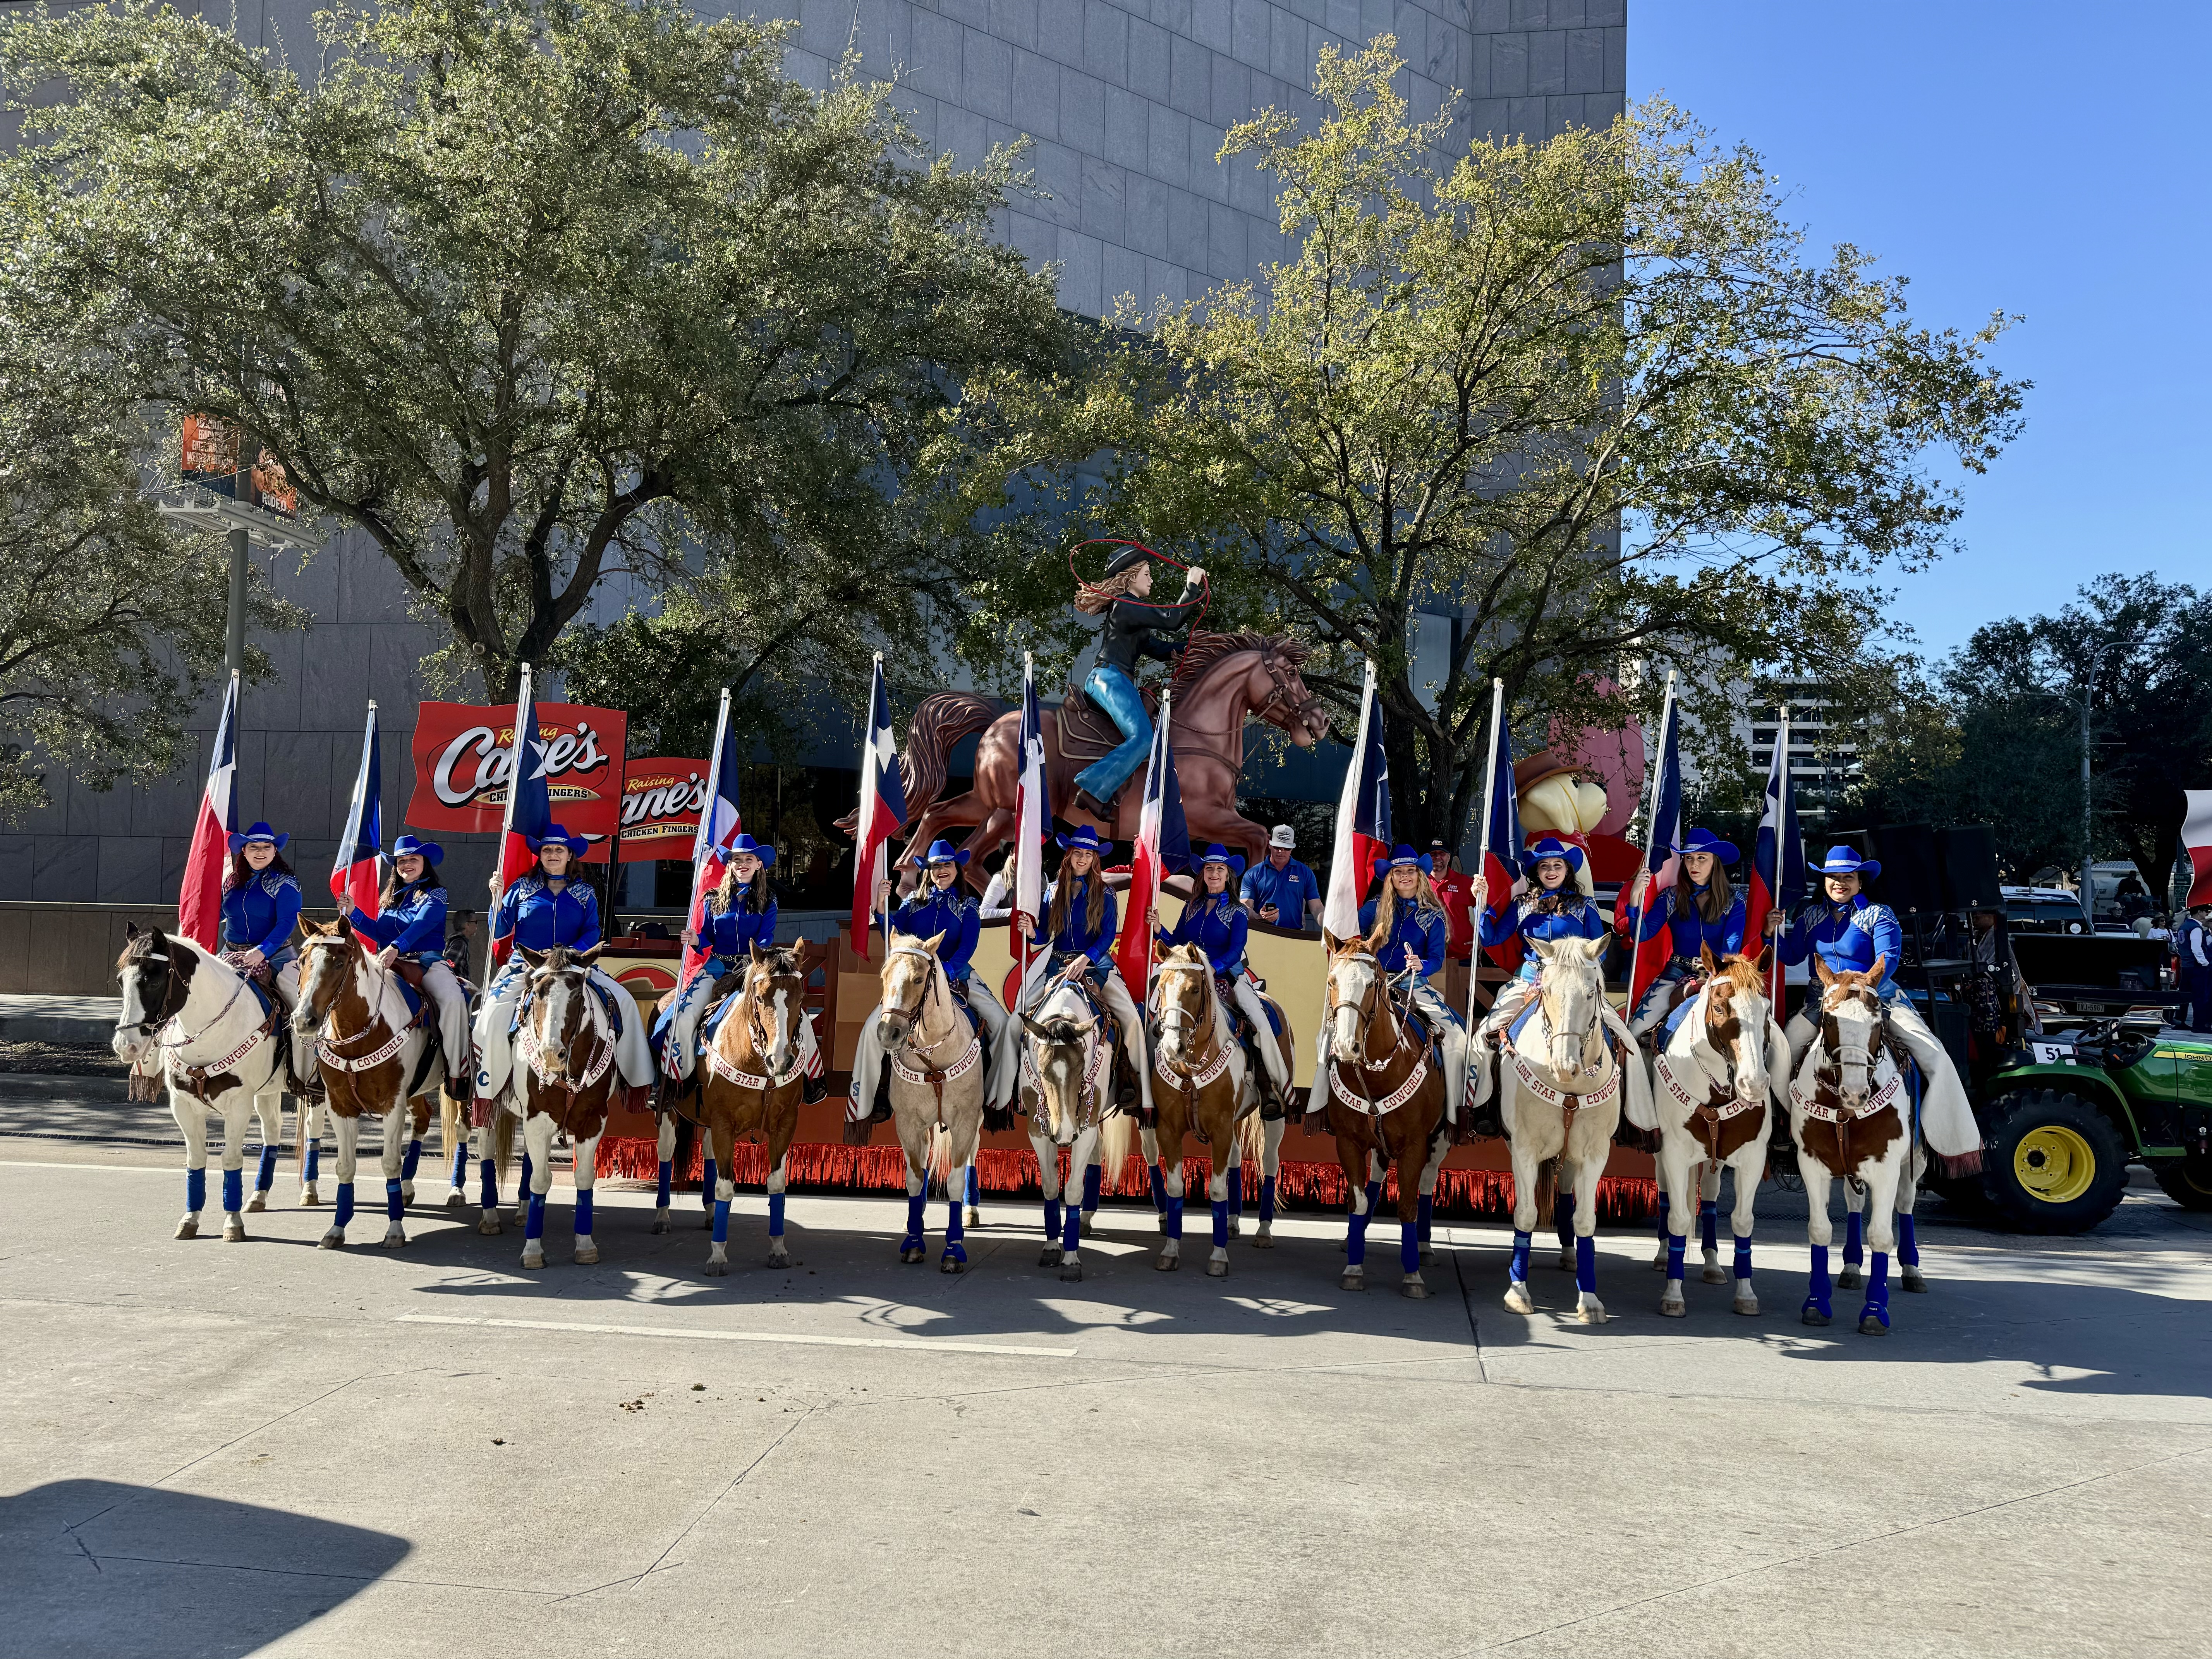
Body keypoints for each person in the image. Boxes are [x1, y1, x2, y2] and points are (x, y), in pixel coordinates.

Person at [1764, 844, 1975, 1127]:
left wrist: (1861, 991)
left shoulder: (1880, 914)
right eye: (1833, 878)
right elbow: (1791, 956)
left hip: (1877, 996)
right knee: (1783, 1051)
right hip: (1823, 999)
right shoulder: (1809, 916)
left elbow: (1888, 960)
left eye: (1848, 877)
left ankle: (1940, 1131)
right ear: (1824, 881)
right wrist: (1770, 933)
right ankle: (1788, 1124)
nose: (1840, 884)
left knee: (1933, 1054)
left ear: (1861, 881)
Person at [471, 823, 653, 1107]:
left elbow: (593, 931)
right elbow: (499, 929)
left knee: (625, 1001)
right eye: (547, 850)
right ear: (540, 855)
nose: (553, 854)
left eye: (559, 849)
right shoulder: (521, 888)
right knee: (491, 1015)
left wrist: (571, 954)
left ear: (570, 855)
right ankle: (491, 1084)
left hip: (572, 966)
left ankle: (635, 1081)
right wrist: (496, 899)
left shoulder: (585, 892)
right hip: (527, 965)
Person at [848, 839, 1017, 1124]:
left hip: (957, 976)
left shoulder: (969, 905)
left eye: (947, 865)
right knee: (870, 1030)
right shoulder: (912, 904)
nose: (942, 871)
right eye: (936, 867)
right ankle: (871, 1098)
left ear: (957, 870)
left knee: (1001, 1024)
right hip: (913, 980)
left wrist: (947, 972)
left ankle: (994, 1099)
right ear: (928, 872)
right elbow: (894, 935)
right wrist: (880, 907)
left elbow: (968, 946)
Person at [654, 833, 826, 1104]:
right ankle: (675, 1082)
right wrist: (696, 939)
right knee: (683, 1019)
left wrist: (756, 962)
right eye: (737, 859)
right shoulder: (712, 898)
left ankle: (813, 1080)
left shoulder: (769, 899)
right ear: (730, 865)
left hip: (753, 969)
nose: (742, 864)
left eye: (748, 859)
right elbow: (708, 936)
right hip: (716, 968)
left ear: (759, 865)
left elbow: (766, 938)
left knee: (798, 1018)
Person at [1012, 826, 1153, 1120]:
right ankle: (1016, 1088)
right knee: (1017, 1019)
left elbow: (1106, 937)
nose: (1082, 859)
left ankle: (1136, 1087)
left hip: (1097, 966)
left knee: (1131, 1019)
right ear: (1069, 855)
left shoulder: (1106, 893)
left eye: (1088, 854)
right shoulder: (1052, 890)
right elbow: (1043, 936)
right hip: (1058, 966)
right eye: (1078, 853)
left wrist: (1085, 960)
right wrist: (1031, 932)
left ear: (1094, 860)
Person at [1070, 545, 1208, 819]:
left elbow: (1156, 647)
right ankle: (1091, 788)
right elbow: (1172, 620)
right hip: (1108, 678)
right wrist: (1191, 586)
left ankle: (1102, 792)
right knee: (1144, 737)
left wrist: (1197, 647)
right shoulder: (1127, 605)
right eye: (1147, 574)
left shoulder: (1133, 613)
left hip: (1117, 678)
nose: (1151, 580)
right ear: (1132, 577)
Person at [1155, 844, 1290, 1113]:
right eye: (1209, 868)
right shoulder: (1191, 905)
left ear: (1228, 875)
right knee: (1157, 1019)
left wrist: (1211, 969)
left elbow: (1235, 951)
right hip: (1191, 979)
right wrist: (1161, 930)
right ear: (1203, 874)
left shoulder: (1239, 912)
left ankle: (1271, 1087)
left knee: (1261, 1023)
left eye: (1220, 869)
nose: (1214, 874)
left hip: (1227, 977)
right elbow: (1180, 943)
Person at [1350, 845, 1469, 1125]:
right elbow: (1350, 926)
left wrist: (1421, 965)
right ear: (1390, 877)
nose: (1405, 877)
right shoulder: (1376, 907)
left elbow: (1437, 959)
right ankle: (1320, 1108)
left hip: (1414, 985)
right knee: (1332, 1032)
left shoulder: (1434, 915)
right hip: (1375, 984)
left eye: (1410, 871)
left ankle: (1455, 1114)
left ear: (1420, 876)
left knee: (1457, 1039)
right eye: (1398, 872)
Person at [344, 835, 471, 1086]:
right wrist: (353, 913)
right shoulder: (389, 898)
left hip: (426, 964)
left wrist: (396, 947)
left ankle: (458, 1073)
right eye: (402, 861)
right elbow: (380, 932)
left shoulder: (437, 894)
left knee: (454, 1000)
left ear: (425, 862)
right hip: (388, 962)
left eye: (413, 859)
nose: (407, 865)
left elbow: (421, 925)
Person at [1471, 836, 1611, 1039]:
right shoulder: (1522, 905)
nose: (1551, 871)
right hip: (1529, 981)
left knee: (1618, 1035)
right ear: (1537, 872)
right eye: (1544, 866)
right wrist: (1481, 904)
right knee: (1485, 1035)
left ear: (1567, 870)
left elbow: (1601, 952)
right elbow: (1491, 939)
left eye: (1557, 865)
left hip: (1575, 984)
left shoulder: (1585, 906)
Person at [1622, 827, 1747, 1041]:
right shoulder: (1670, 897)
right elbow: (1642, 934)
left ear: (1715, 862)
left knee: (1749, 1035)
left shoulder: (1735, 900)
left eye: (1701, 858)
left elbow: (1731, 946)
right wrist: (1635, 898)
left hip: (1718, 975)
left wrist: (1711, 976)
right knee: (1633, 1033)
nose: (1694, 865)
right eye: (1688, 858)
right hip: (1675, 972)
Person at [219, 821, 304, 1010]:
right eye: (254, 847)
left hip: (277, 957)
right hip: (230, 952)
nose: (261, 852)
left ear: (275, 851)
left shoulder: (286, 883)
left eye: (267, 847)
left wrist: (262, 951)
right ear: (244, 851)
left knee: (301, 1004)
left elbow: (287, 921)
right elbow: (218, 913)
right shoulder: (231, 881)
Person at [1240, 824, 1321, 932]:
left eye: (1286, 848)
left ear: (1292, 848)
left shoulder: (1306, 873)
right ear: (1269, 845)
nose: (1281, 851)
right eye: (1277, 847)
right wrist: (1258, 917)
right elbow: (1245, 906)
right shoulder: (1253, 873)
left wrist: (1330, 927)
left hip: (1294, 935)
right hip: (1261, 933)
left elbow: (1317, 908)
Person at [1430, 840, 1475, 959]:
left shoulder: (1464, 882)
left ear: (1449, 857)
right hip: (1429, 957)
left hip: (1464, 955)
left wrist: (1482, 939)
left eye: (1442, 854)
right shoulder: (1419, 883)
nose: (1437, 857)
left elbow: (1484, 910)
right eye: (1433, 854)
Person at [2179, 900, 2212, 1034]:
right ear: (2199, 912)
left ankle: (2180, 1021)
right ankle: (2199, 1025)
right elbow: (2197, 949)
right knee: (2200, 997)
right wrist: (2205, 963)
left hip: (2186, 966)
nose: (2207, 914)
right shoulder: (2196, 928)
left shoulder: (2185, 926)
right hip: (2197, 967)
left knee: (2185, 996)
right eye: (2206, 911)